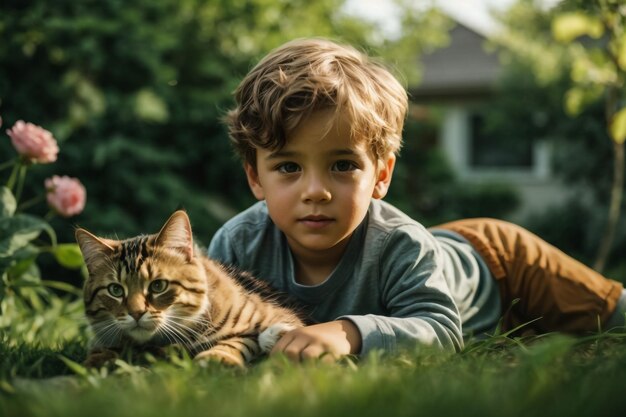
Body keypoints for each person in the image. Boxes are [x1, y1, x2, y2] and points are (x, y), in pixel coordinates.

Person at [207, 37, 626, 362]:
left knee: (614, 313)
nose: (316, 190)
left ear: (381, 175)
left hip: (501, 264)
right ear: (254, 177)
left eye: (342, 165)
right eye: (288, 168)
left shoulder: (401, 244)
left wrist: (348, 333)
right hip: (445, 259)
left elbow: (441, 331)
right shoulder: (238, 246)